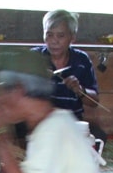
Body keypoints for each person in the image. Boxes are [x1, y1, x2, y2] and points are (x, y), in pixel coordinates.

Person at [31, 9, 104, 139]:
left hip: (71, 123)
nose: (54, 41)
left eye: (60, 36)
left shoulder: (81, 60)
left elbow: (94, 101)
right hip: (40, 123)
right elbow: (17, 93)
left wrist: (80, 90)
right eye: (49, 35)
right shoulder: (34, 57)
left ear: (72, 37)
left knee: (99, 137)